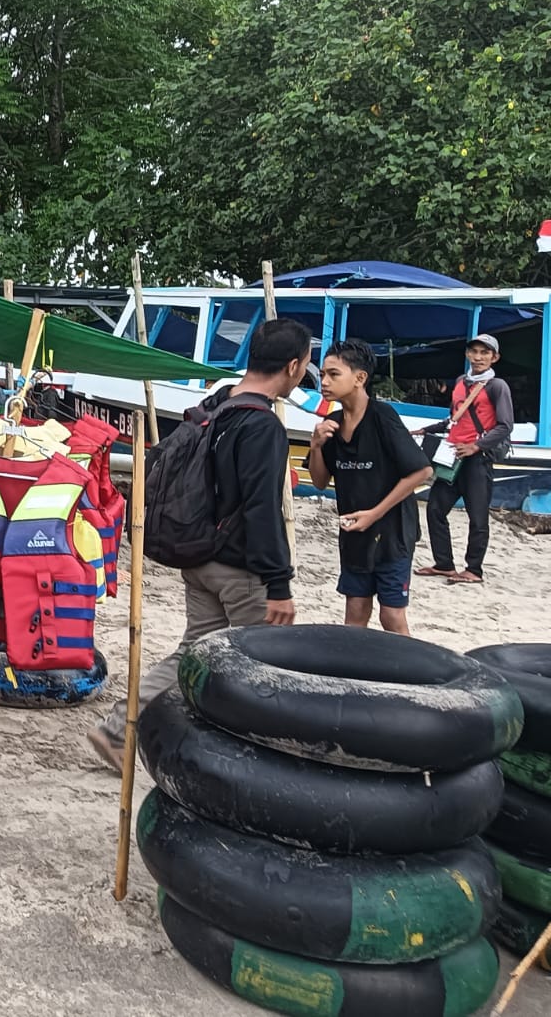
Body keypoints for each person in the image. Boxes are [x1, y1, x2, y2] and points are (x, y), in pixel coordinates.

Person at [87, 318, 311, 773]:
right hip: (241, 570)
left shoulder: (216, 405)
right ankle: (263, 765)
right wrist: (279, 582)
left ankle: (118, 730)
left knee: (194, 652)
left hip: (200, 558)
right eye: (305, 366)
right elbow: (261, 509)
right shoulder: (262, 425)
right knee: (268, 667)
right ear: (292, 366)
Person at [306, 340, 433, 635]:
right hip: (354, 533)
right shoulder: (332, 424)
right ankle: (355, 676)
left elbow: (422, 470)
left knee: (391, 616)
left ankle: (407, 677)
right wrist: (315, 446)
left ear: (360, 378)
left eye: (333, 374)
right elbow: (320, 481)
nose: (323, 381)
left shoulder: (382, 417)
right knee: (355, 614)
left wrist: (374, 513)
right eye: (323, 374)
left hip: (392, 534)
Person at [419, 334, 514, 585]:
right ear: (467, 355)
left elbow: (505, 426)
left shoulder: (497, 386)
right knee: (435, 509)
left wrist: (476, 446)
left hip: (477, 459)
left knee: (478, 516)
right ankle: (444, 564)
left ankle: (474, 570)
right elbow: (454, 419)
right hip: (453, 456)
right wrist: (426, 430)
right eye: (474, 352)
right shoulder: (461, 382)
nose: (479, 357)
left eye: (485, 353)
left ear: (495, 358)